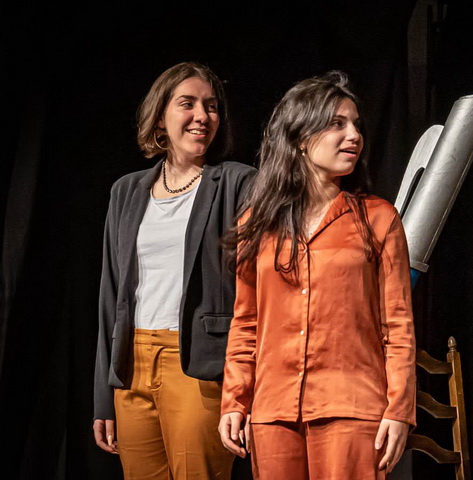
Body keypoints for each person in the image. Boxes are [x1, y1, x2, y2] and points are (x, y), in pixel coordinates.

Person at [218, 71, 416, 480]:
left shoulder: (378, 218)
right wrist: (234, 400)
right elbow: (246, 323)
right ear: (301, 138)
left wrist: (399, 409)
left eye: (356, 125)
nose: (353, 135)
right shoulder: (257, 224)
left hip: (352, 408)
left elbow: (397, 325)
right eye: (336, 124)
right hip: (273, 411)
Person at [93, 61, 256, 479]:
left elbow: (257, 289)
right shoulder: (126, 191)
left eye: (212, 106)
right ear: (160, 116)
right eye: (188, 104)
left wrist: (243, 390)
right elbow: (111, 296)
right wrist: (104, 395)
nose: (202, 116)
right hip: (132, 364)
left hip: (199, 364)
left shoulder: (238, 183)